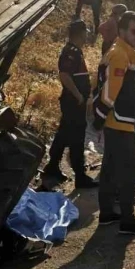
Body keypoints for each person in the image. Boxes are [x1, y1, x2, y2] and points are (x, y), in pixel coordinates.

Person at [93, 10, 135, 237]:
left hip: (119, 120)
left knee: (109, 169)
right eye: (134, 31)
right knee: (129, 170)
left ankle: (107, 213)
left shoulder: (122, 52)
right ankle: (127, 221)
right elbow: (110, 92)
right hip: (120, 122)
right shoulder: (120, 54)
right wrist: (99, 119)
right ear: (121, 31)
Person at [43, 19, 98, 188]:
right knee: (76, 138)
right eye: (85, 32)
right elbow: (65, 75)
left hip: (74, 102)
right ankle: (80, 176)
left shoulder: (76, 51)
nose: (87, 34)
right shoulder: (71, 52)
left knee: (64, 134)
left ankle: (52, 167)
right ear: (80, 33)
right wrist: (79, 96)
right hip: (73, 102)